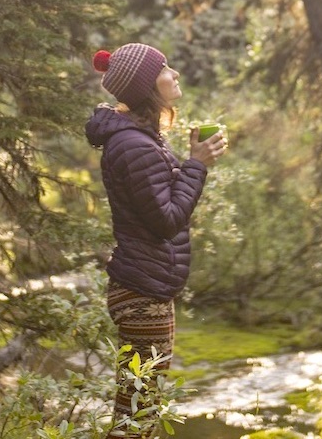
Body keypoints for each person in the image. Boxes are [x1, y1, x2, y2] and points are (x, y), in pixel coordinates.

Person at [84, 42, 227, 439]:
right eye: (164, 69)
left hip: (148, 289)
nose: (174, 74)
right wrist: (197, 164)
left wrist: (192, 159)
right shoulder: (132, 144)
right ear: (147, 86)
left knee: (139, 408)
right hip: (141, 293)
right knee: (137, 413)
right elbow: (166, 221)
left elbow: (159, 205)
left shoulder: (141, 139)